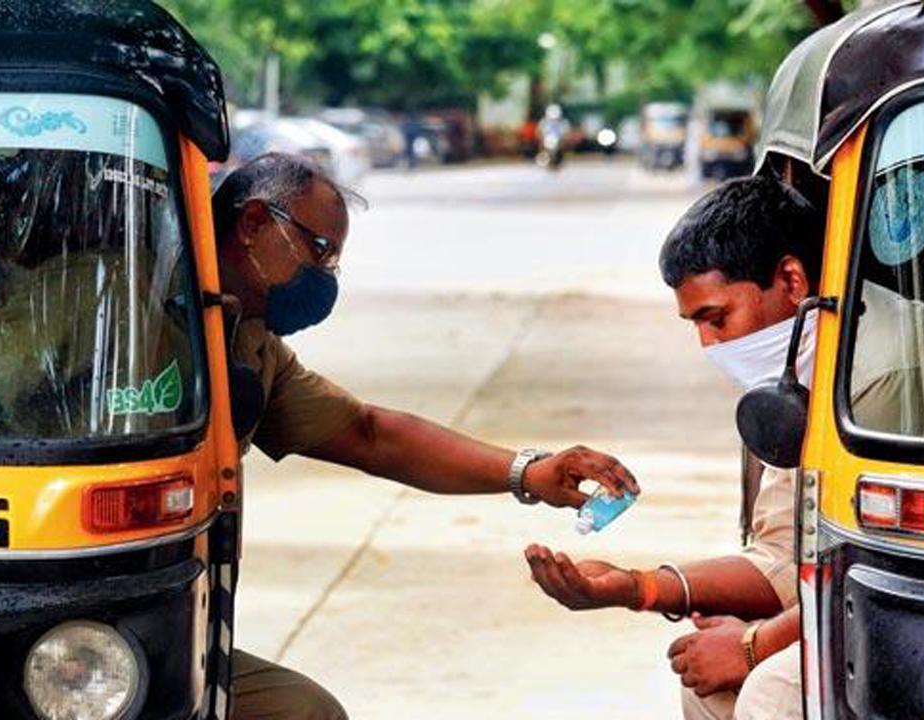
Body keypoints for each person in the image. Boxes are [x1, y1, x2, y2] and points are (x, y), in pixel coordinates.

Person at [213, 152, 641, 720]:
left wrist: (529, 472)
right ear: (253, 223)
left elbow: (370, 435)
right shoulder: (113, 303)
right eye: (318, 252)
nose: (323, 280)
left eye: (334, 265)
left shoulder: (252, 342)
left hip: (190, 616)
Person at [525, 176, 821, 720]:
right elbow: (783, 558)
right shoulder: (806, 376)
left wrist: (756, 645)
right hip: (835, 611)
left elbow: (872, 569)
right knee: (706, 680)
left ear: (790, 279)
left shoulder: (888, 376)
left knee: (772, 688)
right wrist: (638, 588)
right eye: (696, 325)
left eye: (716, 318)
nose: (709, 344)